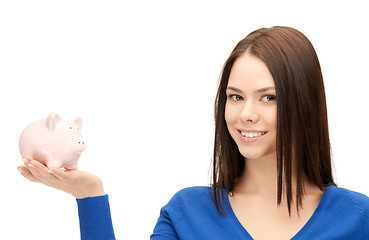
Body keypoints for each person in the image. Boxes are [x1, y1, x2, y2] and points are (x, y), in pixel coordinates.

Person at [18, 26, 369, 240]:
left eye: (269, 97)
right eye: (236, 97)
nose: (246, 114)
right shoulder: (187, 212)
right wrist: (90, 196)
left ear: (304, 103)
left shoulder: (358, 218)